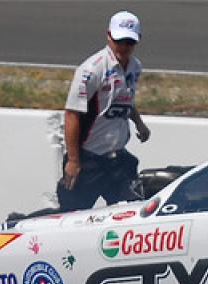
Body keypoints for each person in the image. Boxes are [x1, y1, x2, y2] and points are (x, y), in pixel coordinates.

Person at [57, 10, 151, 212]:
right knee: (70, 215)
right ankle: (18, 221)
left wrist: (139, 123)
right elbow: (72, 113)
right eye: (119, 41)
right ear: (109, 36)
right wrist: (73, 160)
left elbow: (125, 99)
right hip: (88, 160)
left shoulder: (135, 67)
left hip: (118, 161)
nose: (124, 47)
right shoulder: (91, 70)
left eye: (129, 42)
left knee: (132, 212)